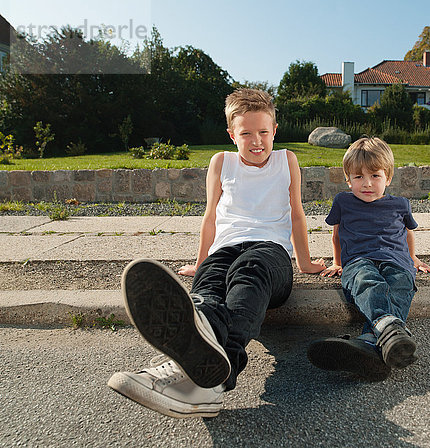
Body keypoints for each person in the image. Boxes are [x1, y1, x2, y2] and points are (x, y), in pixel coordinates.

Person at [108, 88, 325, 418]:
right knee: (209, 285)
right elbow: (210, 217)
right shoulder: (221, 162)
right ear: (231, 135)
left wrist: (305, 262)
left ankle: (212, 370)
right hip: (225, 247)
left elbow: (296, 212)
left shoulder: (286, 160)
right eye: (246, 134)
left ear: (275, 130)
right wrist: (199, 263)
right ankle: (195, 369)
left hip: (271, 255)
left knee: (250, 270)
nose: (257, 141)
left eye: (264, 132)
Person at [308, 137, 430, 381]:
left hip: (397, 261)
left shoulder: (400, 204)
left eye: (375, 176)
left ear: (388, 177)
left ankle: (370, 342)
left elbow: (407, 233)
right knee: (368, 282)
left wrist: (413, 257)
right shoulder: (343, 202)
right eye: (358, 177)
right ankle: (389, 335)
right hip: (358, 261)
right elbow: (337, 235)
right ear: (348, 179)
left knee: (399, 286)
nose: (367, 184)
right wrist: (338, 263)